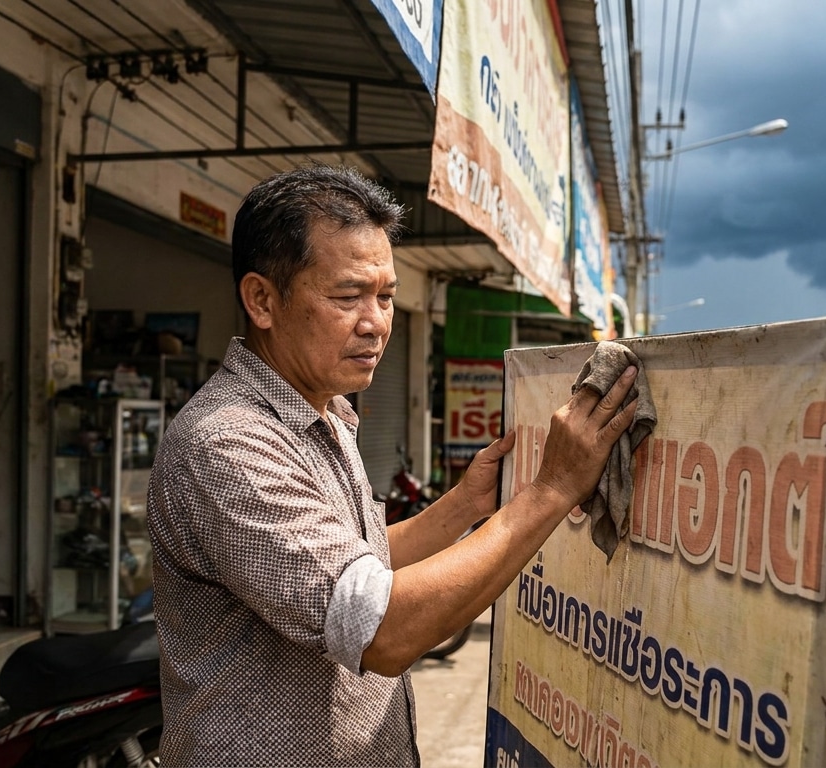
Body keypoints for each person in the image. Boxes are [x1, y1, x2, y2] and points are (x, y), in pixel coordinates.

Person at [144, 166, 640, 765]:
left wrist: (465, 506)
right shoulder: (227, 444)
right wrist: (554, 489)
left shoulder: (324, 412)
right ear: (262, 301)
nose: (376, 322)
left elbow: (361, 560)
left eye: (385, 296)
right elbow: (382, 629)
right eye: (347, 296)